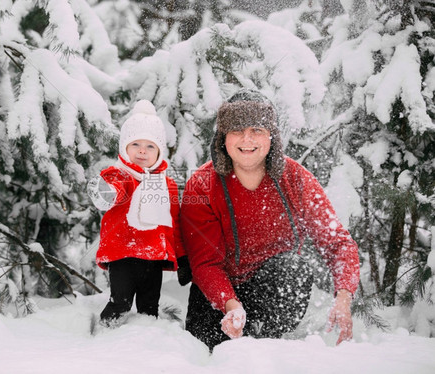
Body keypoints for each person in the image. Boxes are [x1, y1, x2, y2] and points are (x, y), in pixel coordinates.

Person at [178, 89, 360, 350]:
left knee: (293, 269)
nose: (247, 139)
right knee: (211, 356)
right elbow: (205, 263)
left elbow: (338, 242)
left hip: (271, 289)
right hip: (216, 294)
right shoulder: (203, 184)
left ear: (271, 137)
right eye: (237, 130)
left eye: (257, 130)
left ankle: (269, 344)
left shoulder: (296, 179)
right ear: (223, 138)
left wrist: (343, 295)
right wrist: (230, 304)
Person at [88, 99, 186, 327]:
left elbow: (174, 223)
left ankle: (146, 342)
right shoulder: (119, 175)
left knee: (149, 304)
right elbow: (112, 190)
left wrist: (181, 256)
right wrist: (105, 192)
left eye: (150, 146)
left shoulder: (166, 184)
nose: (143, 150)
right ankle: (105, 332)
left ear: (160, 152)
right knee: (120, 301)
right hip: (123, 252)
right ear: (124, 148)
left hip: (153, 255)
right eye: (136, 145)